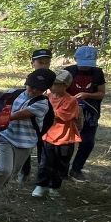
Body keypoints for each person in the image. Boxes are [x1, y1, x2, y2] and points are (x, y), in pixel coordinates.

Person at [0, 68, 56, 218]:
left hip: (25, 142)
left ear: (46, 89)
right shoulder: (13, 93)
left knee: (11, 174)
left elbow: (19, 115)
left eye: (39, 89)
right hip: (6, 136)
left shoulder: (42, 104)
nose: (33, 90)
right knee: (4, 169)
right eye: (31, 86)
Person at [33, 69, 82, 198]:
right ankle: (41, 185)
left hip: (64, 138)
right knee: (45, 162)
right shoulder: (47, 97)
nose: (52, 86)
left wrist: (43, 110)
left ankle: (54, 186)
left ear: (65, 85)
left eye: (55, 84)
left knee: (61, 164)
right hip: (48, 136)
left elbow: (61, 115)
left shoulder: (71, 100)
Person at [65, 46, 106, 182]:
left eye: (88, 64)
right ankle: (63, 169)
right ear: (75, 59)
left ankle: (76, 169)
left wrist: (87, 95)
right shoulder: (68, 71)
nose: (85, 67)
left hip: (90, 112)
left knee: (87, 142)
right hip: (69, 111)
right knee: (67, 142)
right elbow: (58, 91)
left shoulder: (97, 73)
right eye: (82, 63)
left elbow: (101, 94)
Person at [18, 48, 53, 182]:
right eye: (40, 62)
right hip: (32, 114)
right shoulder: (30, 78)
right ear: (32, 63)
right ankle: (24, 171)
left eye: (47, 63)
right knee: (26, 141)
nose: (44, 65)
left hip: (48, 115)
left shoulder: (53, 78)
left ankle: (42, 174)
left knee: (43, 145)